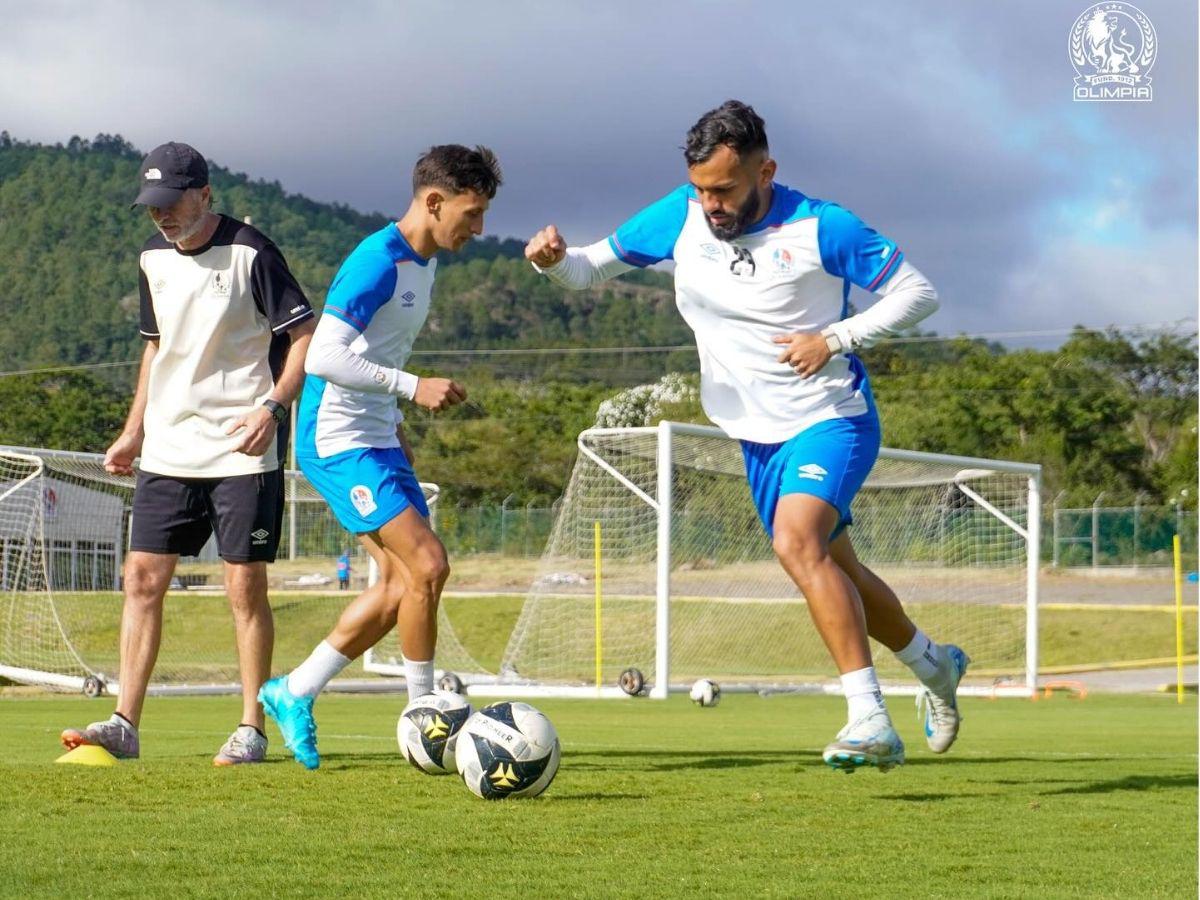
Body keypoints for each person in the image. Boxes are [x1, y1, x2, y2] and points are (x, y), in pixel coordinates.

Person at [525, 101, 968, 773]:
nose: (711, 203)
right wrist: (552, 261)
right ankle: (934, 665)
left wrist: (835, 337)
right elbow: (587, 268)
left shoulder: (825, 227)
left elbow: (919, 293)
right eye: (702, 188)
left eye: (725, 190)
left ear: (766, 170)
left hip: (830, 419)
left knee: (796, 542)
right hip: (754, 439)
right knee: (837, 571)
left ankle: (869, 717)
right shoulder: (679, 213)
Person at [61, 142, 316, 765]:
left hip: (241, 447)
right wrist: (133, 431)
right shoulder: (152, 257)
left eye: (172, 204)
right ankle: (124, 722)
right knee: (142, 580)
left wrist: (273, 409)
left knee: (242, 587)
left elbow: (305, 334)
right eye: (152, 207)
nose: (162, 217)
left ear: (204, 194)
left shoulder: (252, 251)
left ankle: (250, 726)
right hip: (169, 447)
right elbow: (156, 348)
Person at [258, 145, 501, 769]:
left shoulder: (425, 264)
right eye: (471, 216)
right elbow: (322, 357)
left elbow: (378, 352)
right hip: (335, 440)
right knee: (428, 565)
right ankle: (427, 718)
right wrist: (411, 388)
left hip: (378, 437)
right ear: (435, 201)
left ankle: (295, 690)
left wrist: (395, 418)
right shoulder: (377, 261)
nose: (478, 230)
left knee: (402, 586)